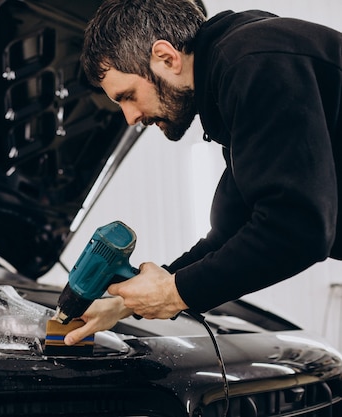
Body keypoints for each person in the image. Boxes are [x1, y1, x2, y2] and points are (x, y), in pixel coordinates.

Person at [64, 0, 342, 346]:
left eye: (128, 96)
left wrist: (176, 294)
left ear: (166, 57)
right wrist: (125, 304)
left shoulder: (256, 62)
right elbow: (228, 233)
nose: (130, 118)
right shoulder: (238, 72)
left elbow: (298, 229)